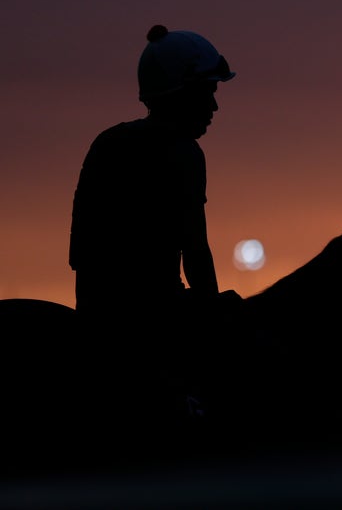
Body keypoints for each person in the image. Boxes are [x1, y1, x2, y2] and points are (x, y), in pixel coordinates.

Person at [68, 25, 241, 436]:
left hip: (95, 313)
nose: (215, 105)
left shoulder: (107, 142)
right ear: (182, 92)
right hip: (150, 325)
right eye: (208, 91)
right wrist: (215, 316)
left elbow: (82, 254)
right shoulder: (183, 152)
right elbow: (195, 252)